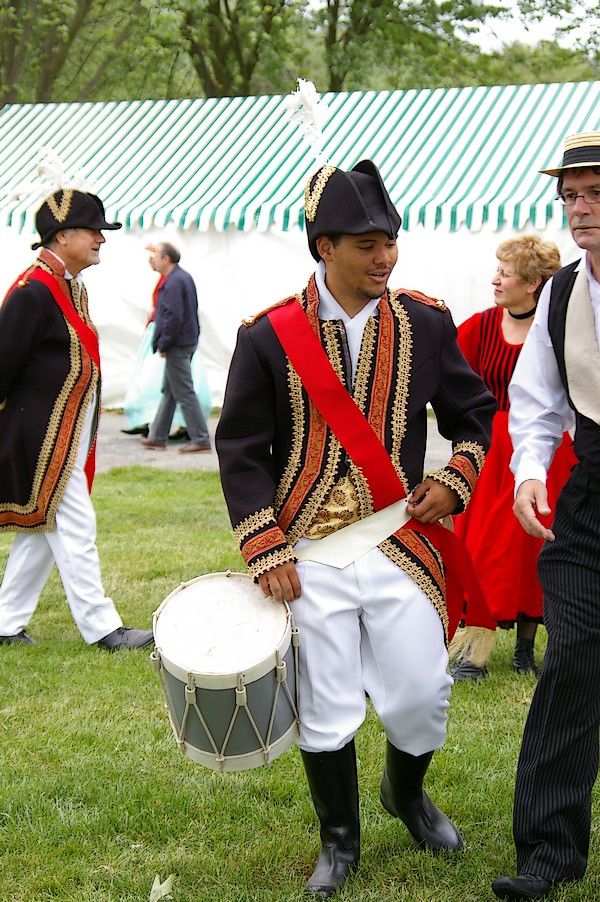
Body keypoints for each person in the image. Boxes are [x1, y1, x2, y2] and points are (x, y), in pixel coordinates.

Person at [216, 159, 496, 897]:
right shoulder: (268, 336)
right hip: (307, 553)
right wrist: (264, 542)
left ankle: (405, 794)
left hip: (400, 540)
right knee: (328, 700)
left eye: (390, 241)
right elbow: (241, 450)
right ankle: (339, 841)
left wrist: (454, 477)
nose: (385, 258)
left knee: (420, 691)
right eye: (367, 244)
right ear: (324, 246)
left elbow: (473, 417)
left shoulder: (427, 323)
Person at [492, 131, 600, 901]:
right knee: (573, 660)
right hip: (590, 498)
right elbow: (536, 402)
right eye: (570, 196)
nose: (581, 209)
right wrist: (531, 471)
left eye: (594, 193)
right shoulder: (562, 293)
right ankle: (548, 855)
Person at [0, 188, 154, 651]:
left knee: (45, 533)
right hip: (42, 437)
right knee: (77, 527)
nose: (100, 239)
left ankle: (5, 621)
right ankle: (102, 627)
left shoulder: (68, 285)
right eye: (93, 231)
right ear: (62, 235)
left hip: (62, 433)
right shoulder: (33, 292)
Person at [450, 237, 577, 681]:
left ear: (534, 283)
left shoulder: (558, 326)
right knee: (482, 547)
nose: (495, 279)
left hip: (546, 452)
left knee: (533, 549)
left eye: (506, 273)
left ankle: (527, 647)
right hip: (491, 453)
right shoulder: (479, 327)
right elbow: (449, 381)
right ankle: (473, 650)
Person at [122, 245, 212, 439]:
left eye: (155, 256)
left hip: (177, 344)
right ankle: (157, 437)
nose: (151, 260)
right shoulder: (181, 278)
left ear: (166, 259)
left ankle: (201, 438)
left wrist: (164, 344)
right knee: (170, 392)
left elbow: (172, 317)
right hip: (185, 341)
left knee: (184, 393)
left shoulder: (173, 282)